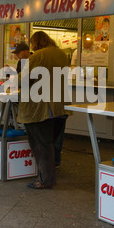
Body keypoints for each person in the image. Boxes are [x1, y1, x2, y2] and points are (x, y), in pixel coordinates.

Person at [18, 31, 69, 189]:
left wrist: (14, 79)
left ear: (36, 42)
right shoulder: (61, 54)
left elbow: (25, 78)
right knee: (50, 144)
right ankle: (49, 177)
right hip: (59, 106)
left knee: (41, 146)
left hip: (41, 108)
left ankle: (44, 180)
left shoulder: (39, 55)